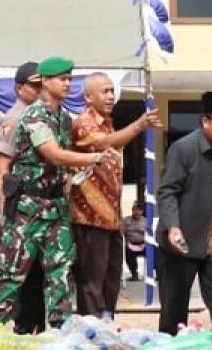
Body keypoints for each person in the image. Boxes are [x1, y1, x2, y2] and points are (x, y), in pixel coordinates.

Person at [0, 57, 118, 330]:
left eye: (70, 79)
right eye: (62, 79)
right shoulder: (34, 115)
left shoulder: (63, 117)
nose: (68, 83)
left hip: (56, 206)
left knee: (61, 272)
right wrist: (95, 158)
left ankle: (61, 332)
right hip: (28, 208)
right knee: (13, 274)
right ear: (45, 81)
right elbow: (54, 155)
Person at [68, 72, 160, 317]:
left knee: (111, 277)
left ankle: (106, 321)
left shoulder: (108, 121)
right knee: (91, 281)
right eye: (104, 91)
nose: (111, 96)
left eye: (112, 91)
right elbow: (106, 143)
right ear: (88, 97)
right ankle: (91, 328)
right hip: (90, 218)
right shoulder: (84, 123)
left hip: (111, 218)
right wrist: (140, 124)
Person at [156, 90, 212, 335]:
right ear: (205, 121)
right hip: (182, 239)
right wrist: (173, 226)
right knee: (174, 309)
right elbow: (167, 191)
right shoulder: (182, 149)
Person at [0, 61, 46, 334]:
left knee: (39, 271)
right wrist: (3, 208)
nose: (38, 90)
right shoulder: (14, 119)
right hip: (21, 205)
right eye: (33, 85)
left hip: (43, 208)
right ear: (19, 88)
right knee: (19, 269)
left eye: (41, 85)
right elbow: (3, 166)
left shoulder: (43, 116)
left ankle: (37, 325)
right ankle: (21, 327)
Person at [122, 202, 146, 281]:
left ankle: (158, 273)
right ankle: (134, 274)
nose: (137, 212)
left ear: (142, 211)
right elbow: (122, 233)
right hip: (130, 244)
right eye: (135, 210)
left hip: (143, 244)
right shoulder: (126, 220)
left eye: (139, 210)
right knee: (127, 252)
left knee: (154, 251)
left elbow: (150, 234)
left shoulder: (146, 221)